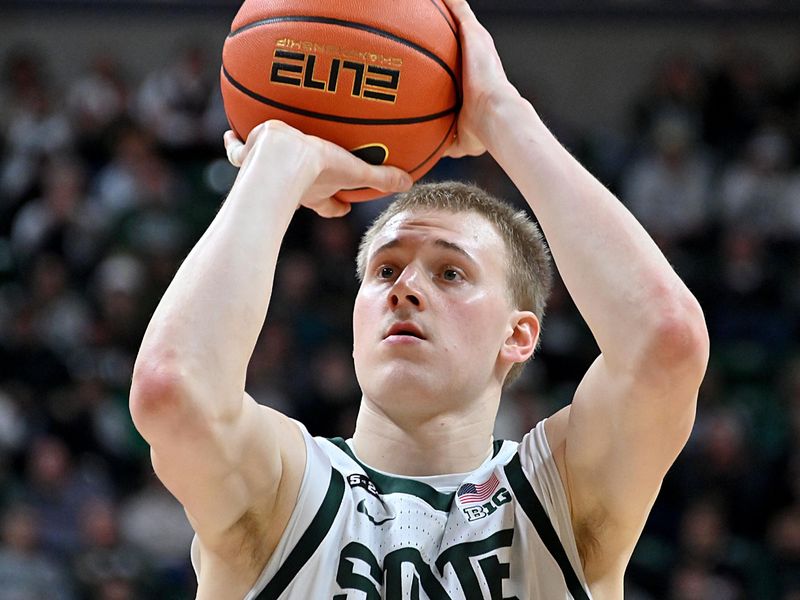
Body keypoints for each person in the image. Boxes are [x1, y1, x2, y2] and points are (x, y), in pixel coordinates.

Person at [129, 1, 709, 598]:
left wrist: (503, 115)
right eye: (384, 270)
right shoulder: (283, 493)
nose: (405, 287)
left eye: (451, 272)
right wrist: (277, 162)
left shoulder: (560, 497)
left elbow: (665, 342)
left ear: (519, 335)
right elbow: (173, 390)